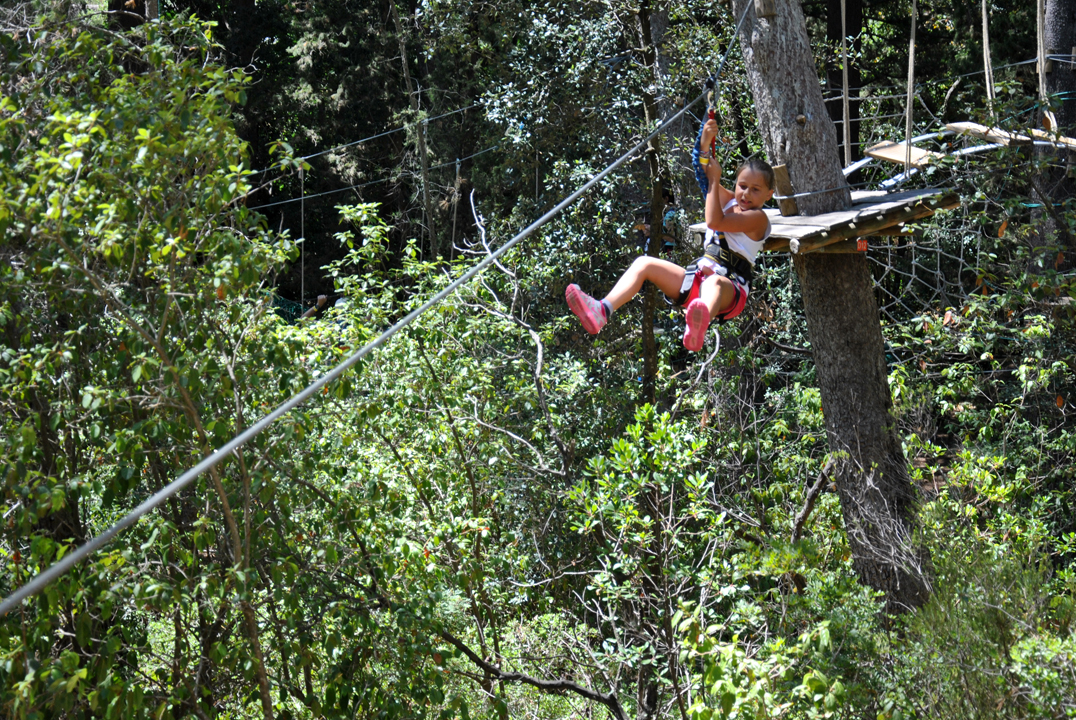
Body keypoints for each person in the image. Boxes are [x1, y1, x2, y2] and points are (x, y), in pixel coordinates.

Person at [565, 116, 775, 352]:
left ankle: (699, 324)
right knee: (644, 263)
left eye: (755, 190)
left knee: (714, 282)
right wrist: (705, 142)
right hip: (699, 280)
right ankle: (602, 310)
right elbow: (702, 172)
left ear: (768, 194)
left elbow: (715, 220)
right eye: (742, 186)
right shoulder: (730, 201)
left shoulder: (758, 218)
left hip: (730, 289)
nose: (745, 194)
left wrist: (715, 179)